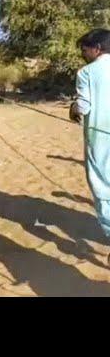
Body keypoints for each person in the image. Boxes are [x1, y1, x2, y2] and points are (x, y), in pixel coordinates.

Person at [70, 28, 110, 243]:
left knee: (103, 186)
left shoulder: (86, 73)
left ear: (97, 49)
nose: (83, 54)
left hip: (101, 139)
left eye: (84, 50)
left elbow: (84, 106)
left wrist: (73, 109)